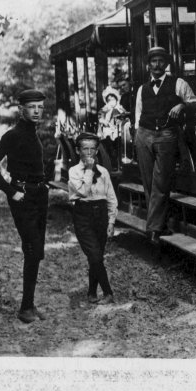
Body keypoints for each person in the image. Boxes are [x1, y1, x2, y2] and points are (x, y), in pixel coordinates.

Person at [0, 89, 51, 324]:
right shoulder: (13, 135)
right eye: (32, 107)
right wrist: (12, 191)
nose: (37, 111)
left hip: (39, 195)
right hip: (23, 197)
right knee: (32, 249)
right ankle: (25, 308)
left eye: (40, 107)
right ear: (21, 109)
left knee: (36, 251)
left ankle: (29, 305)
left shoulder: (33, 134)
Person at [133, 46, 196, 245]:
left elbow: (194, 102)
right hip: (144, 134)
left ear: (166, 63)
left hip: (166, 135)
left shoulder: (178, 83)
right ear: (148, 65)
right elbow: (138, 113)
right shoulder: (142, 88)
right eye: (153, 61)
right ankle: (160, 224)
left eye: (161, 61)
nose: (157, 65)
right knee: (149, 182)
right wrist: (137, 134)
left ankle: (152, 229)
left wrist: (182, 105)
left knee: (160, 182)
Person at [67, 132, 118, 305]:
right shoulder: (74, 171)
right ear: (78, 150)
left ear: (97, 151)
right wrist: (88, 170)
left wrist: (111, 222)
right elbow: (82, 191)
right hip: (83, 215)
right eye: (85, 149)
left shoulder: (103, 172)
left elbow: (111, 198)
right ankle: (108, 293)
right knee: (95, 255)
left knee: (96, 257)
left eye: (93, 149)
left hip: (101, 215)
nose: (89, 153)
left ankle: (91, 293)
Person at [96, 86, 124, 169]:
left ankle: (119, 163)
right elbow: (100, 117)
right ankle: (112, 163)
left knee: (118, 144)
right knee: (108, 145)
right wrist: (105, 122)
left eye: (113, 100)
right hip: (108, 129)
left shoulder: (119, 108)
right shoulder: (105, 109)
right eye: (109, 100)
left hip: (117, 130)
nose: (112, 102)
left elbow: (123, 115)